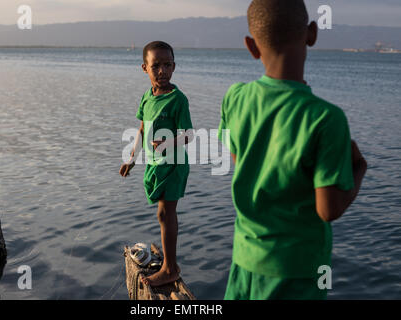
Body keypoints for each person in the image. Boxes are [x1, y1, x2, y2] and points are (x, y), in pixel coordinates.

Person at [218, 0, 367, 300]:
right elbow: (328, 210)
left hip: (244, 261)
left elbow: (241, 162)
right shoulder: (326, 118)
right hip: (296, 273)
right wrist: (359, 171)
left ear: (251, 46)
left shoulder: (234, 98)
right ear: (312, 33)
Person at [119, 41, 194, 287]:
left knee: (165, 212)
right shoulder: (147, 97)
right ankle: (170, 263)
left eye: (167, 65)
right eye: (156, 66)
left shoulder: (178, 99)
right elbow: (142, 129)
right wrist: (131, 159)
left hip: (173, 164)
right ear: (145, 68)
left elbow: (188, 135)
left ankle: (170, 268)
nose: (162, 71)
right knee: (162, 214)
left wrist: (166, 143)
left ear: (174, 67)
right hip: (155, 165)